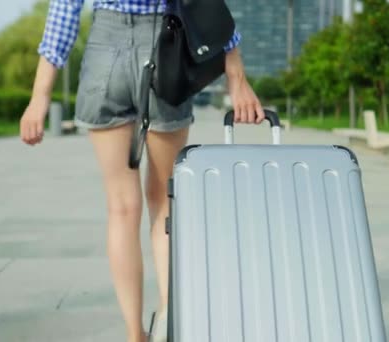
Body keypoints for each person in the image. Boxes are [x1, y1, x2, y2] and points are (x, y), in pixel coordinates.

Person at [19, 1, 265, 341]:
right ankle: (168, 323)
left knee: (121, 207)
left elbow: (65, 10)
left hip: (105, 54)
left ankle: (135, 334)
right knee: (165, 203)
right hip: (166, 43)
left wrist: (39, 97)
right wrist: (235, 72)